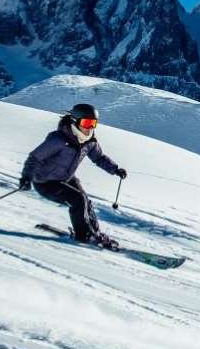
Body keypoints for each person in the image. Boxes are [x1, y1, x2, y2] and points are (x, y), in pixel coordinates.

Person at [19, 103, 128, 250]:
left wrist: (115, 169)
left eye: (93, 123)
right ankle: (84, 235)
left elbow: (99, 157)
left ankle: (94, 233)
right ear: (75, 121)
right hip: (45, 182)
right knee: (78, 200)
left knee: (86, 201)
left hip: (66, 177)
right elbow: (35, 158)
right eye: (86, 123)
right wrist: (26, 177)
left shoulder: (89, 141)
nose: (90, 128)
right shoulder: (58, 140)